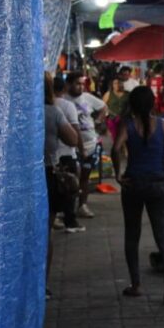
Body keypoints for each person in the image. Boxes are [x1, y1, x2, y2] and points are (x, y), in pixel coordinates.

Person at [111, 86, 164, 306]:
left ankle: (136, 284)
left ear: (132, 105)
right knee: (163, 236)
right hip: (159, 185)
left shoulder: (128, 125)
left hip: (133, 185)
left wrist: (118, 174)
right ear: (152, 104)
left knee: (132, 235)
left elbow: (116, 148)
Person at [44, 73, 79, 298]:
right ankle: (42, 284)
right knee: (45, 231)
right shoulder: (53, 112)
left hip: (19, 178)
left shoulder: (17, 111)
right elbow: (73, 139)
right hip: (46, 175)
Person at [66, 72, 106, 219]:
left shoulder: (88, 97)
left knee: (85, 177)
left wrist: (98, 121)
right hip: (71, 147)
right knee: (71, 179)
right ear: (69, 84)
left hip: (90, 144)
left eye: (82, 84)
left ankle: (82, 205)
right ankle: (68, 209)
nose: (81, 87)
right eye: (78, 83)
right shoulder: (63, 100)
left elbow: (103, 107)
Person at [53, 76, 83, 233]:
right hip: (66, 153)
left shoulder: (42, 106)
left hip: (50, 156)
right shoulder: (66, 106)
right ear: (64, 88)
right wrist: (81, 148)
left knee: (54, 189)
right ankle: (70, 222)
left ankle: (54, 219)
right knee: (69, 189)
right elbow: (75, 131)